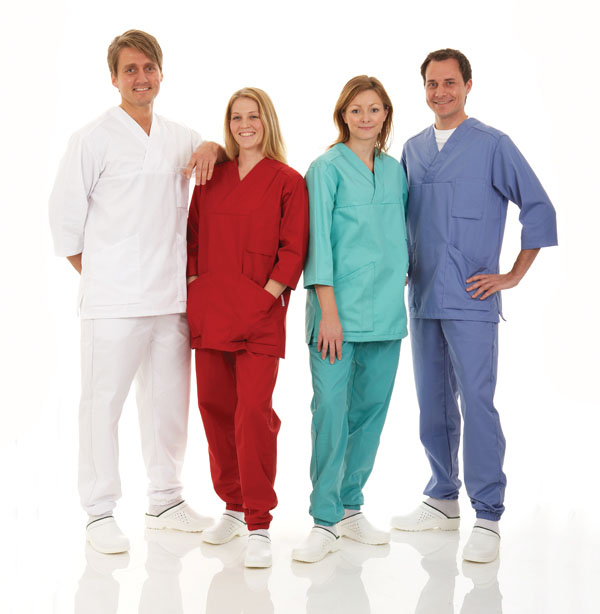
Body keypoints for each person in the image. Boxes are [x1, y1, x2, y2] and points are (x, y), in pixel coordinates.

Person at [49, 29, 225, 554]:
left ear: (161, 73)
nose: (141, 77)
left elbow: (216, 155)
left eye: (149, 68)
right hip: (114, 301)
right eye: (130, 69)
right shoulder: (92, 138)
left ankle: (166, 500)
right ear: (114, 78)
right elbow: (64, 222)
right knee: (102, 405)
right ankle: (99, 511)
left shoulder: (180, 136)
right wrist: (105, 275)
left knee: (168, 404)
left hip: (170, 299)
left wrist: (213, 145)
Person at [391, 49, 558, 563]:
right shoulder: (413, 149)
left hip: (471, 297)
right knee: (432, 403)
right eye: (431, 83)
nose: (440, 92)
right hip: (423, 297)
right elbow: (402, 218)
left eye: (449, 82)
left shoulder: (492, 145)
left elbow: (539, 207)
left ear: (467, 85)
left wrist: (512, 275)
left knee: (477, 404)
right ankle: (442, 498)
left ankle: (488, 515)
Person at [186, 87, 308, 568]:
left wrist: (266, 297)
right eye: (236, 117)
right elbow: (192, 237)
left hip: (259, 316)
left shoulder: (288, 181)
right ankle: (234, 506)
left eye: (253, 116)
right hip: (212, 310)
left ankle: (259, 523)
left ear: (267, 121)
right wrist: (196, 285)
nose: (244, 125)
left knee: (253, 414)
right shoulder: (211, 177)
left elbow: (294, 248)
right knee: (215, 409)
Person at [292, 76, 409, 563]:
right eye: (356, 109)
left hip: (386, 313)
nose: (366, 117)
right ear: (343, 115)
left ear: (386, 115)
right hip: (336, 315)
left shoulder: (395, 171)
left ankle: (349, 507)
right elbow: (317, 243)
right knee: (330, 414)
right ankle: (324, 520)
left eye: (374, 109)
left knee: (370, 414)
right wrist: (329, 314)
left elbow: (400, 233)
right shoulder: (325, 169)